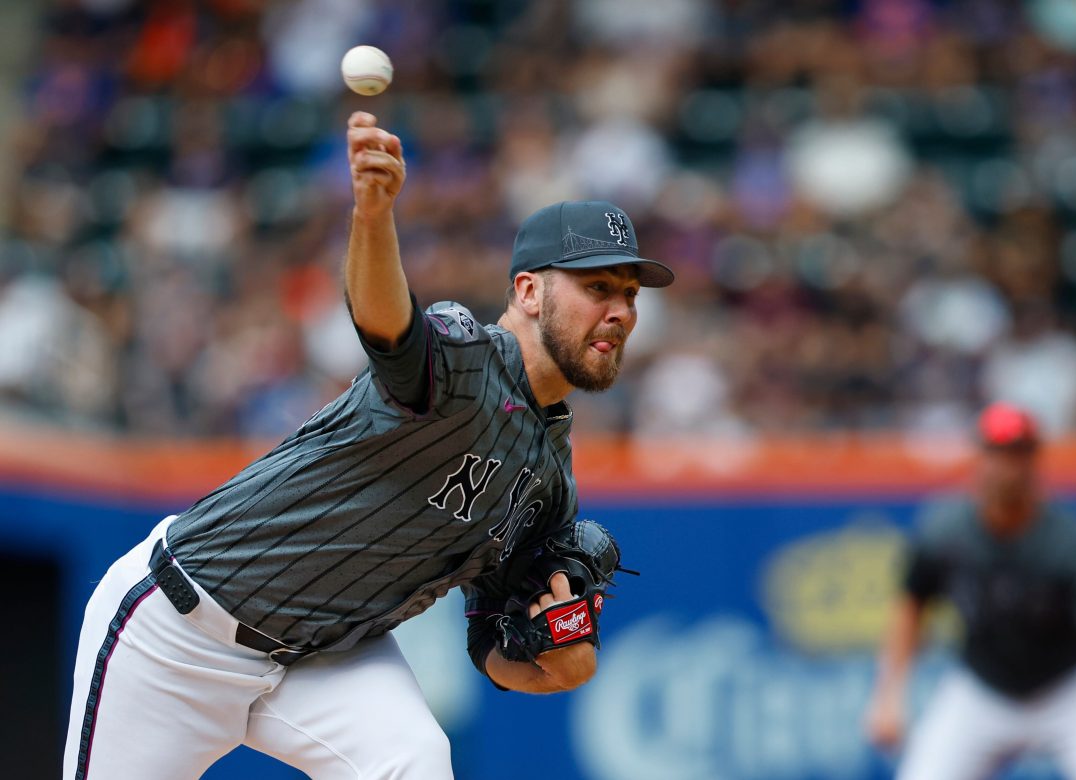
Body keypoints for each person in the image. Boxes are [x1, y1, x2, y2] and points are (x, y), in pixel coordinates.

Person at [62, 111, 674, 779]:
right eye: (596, 288)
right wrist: (374, 213)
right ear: (528, 290)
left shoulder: (551, 479)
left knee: (413, 760)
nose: (619, 310)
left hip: (325, 657)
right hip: (181, 631)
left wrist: (564, 655)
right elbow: (387, 323)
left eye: (628, 294)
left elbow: (495, 648)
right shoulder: (466, 356)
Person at [865, 402, 1076, 780]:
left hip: (1070, 690)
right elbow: (911, 605)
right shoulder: (945, 528)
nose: (1007, 467)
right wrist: (888, 696)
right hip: (983, 689)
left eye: (1018, 453)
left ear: (1034, 461)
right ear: (979, 458)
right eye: (997, 452)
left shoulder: (1071, 539)